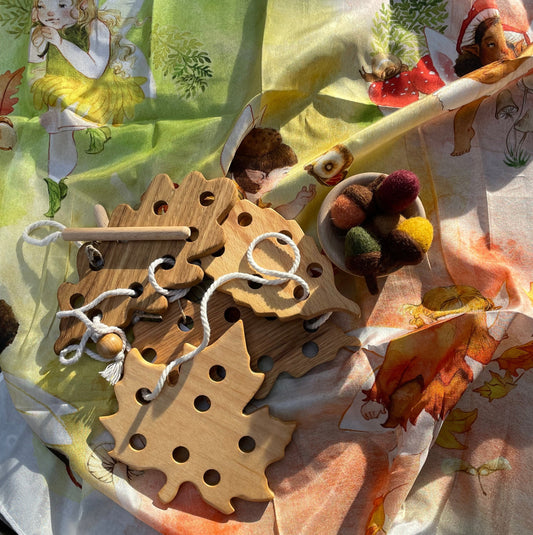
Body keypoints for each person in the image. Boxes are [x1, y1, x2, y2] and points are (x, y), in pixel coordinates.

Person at [28, 0, 147, 216]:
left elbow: (93, 70)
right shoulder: (45, 30)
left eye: (62, 5)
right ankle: (56, 187)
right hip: (59, 93)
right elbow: (35, 61)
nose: (51, 13)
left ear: (82, 5)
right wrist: (38, 41)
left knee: (64, 123)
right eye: (43, 7)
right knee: (57, 132)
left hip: (97, 92)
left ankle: (93, 134)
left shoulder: (95, 27)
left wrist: (60, 42)